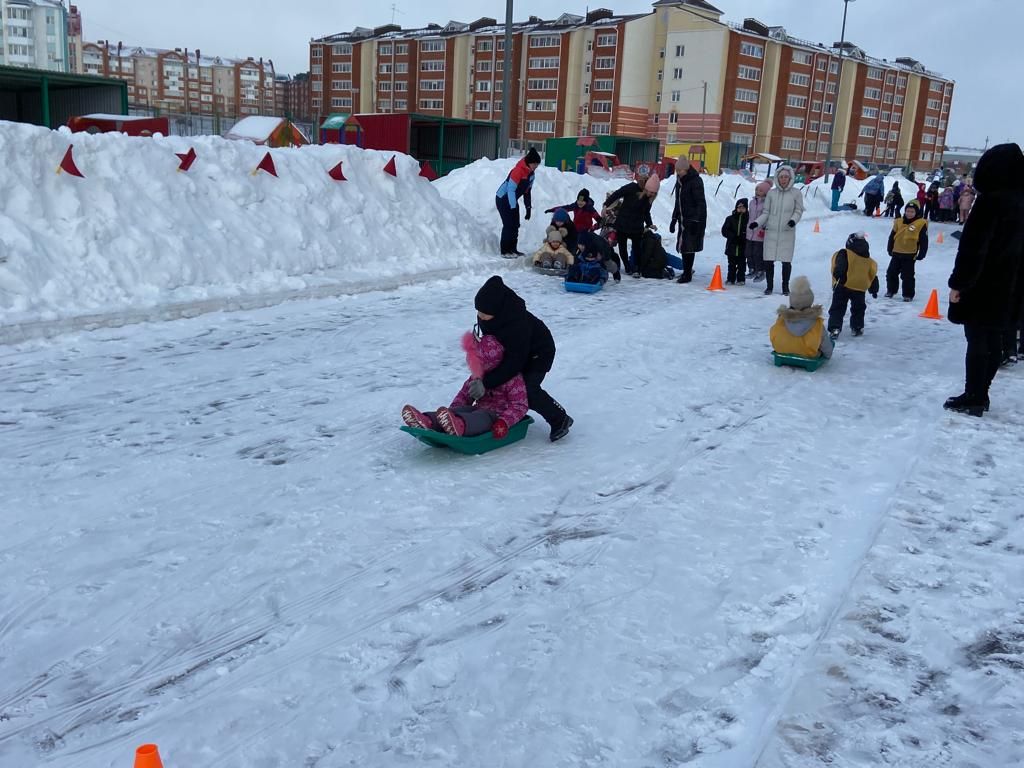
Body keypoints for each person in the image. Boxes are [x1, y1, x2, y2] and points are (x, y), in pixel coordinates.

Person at [944, 143, 1024, 417]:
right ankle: (981, 393)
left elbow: (974, 248)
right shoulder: (1021, 201)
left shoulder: (991, 201)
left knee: (977, 340)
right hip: (1011, 287)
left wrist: (959, 284)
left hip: (984, 286)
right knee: (994, 339)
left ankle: (974, 396)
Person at [472, 276, 573, 440]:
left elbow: (514, 362)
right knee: (499, 381)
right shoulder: (488, 314)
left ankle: (560, 419)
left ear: (497, 310)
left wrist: (486, 382)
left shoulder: (517, 324)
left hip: (539, 353)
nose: (479, 316)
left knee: (526, 389)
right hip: (515, 352)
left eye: (484, 313)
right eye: (478, 312)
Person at [401, 332, 528, 438]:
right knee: (465, 411)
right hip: (479, 408)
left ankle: (460, 425)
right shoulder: (477, 377)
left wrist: (504, 422)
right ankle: (428, 420)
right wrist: (453, 411)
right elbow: (464, 395)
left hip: (497, 416)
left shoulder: (512, 379)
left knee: (480, 418)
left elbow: (520, 405)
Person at [750, 164, 803, 296]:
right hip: (772, 232)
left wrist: (793, 221)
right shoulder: (772, 194)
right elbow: (766, 212)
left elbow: (798, 210)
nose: (783, 179)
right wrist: (756, 223)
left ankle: (785, 287)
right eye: (781, 177)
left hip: (787, 232)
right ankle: (769, 286)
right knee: (768, 261)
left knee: (786, 262)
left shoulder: (796, 193)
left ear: (790, 177)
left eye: (786, 177)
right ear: (777, 179)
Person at [827, 232, 879, 339]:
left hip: (843, 285)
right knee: (858, 308)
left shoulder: (845, 253)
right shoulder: (868, 260)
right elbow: (872, 275)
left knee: (838, 307)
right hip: (860, 288)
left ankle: (835, 328)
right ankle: (857, 327)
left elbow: (840, 267)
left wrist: (838, 277)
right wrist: (874, 290)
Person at [605, 174, 660, 275]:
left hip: (636, 226)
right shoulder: (631, 188)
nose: (652, 194)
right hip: (623, 223)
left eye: (654, 193)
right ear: (646, 188)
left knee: (637, 247)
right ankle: (627, 266)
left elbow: (646, 212)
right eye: (651, 192)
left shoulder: (649, 198)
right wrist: (606, 205)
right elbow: (617, 194)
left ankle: (637, 269)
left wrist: (649, 224)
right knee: (622, 247)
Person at [770, 276, 834, 359]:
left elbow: (774, 335)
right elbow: (826, 347)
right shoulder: (816, 323)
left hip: (782, 350)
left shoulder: (782, 319)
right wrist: (828, 354)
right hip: (808, 354)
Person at [495, 147, 540, 256]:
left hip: (512, 200)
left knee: (515, 224)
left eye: (537, 164)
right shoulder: (518, 171)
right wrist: (513, 206)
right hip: (503, 198)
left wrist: (528, 208)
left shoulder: (531, 174)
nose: (536, 166)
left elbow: (527, 192)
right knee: (508, 224)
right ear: (529, 162)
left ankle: (513, 249)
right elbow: (511, 189)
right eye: (534, 164)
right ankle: (505, 250)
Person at [670, 161, 708, 283]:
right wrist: (674, 218)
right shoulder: (680, 181)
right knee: (683, 245)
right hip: (683, 218)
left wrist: (696, 220)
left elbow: (700, 202)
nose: (678, 173)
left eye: (680, 171)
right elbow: (678, 201)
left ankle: (687, 274)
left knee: (688, 246)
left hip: (694, 219)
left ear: (686, 169)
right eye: (677, 171)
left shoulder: (696, 181)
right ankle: (686, 271)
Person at [884, 200, 929, 301]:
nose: (909, 213)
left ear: (916, 212)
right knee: (891, 273)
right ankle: (891, 290)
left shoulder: (921, 223)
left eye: (912, 212)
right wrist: (889, 248)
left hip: (910, 254)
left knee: (907, 276)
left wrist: (922, 253)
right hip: (896, 252)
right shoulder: (898, 221)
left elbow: (924, 240)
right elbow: (892, 236)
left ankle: (908, 295)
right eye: (907, 211)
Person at [746, 181, 771, 282]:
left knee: (757, 253)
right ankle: (752, 269)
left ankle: (761, 270)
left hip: (759, 232)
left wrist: (764, 227)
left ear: (765, 192)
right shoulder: (752, 202)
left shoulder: (766, 204)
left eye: (760, 190)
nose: (757, 192)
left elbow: (767, 217)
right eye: (757, 189)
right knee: (748, 252)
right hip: (750, 232)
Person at [721, 198, 749, 285]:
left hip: (742, 246)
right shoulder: (730, 219)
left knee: (742, 265)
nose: (741, 209)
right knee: (731, 264)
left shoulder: (748, 219)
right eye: (739, 207)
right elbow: (724, 230)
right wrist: (732, 236)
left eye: (743, 208)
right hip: (731, 246)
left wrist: (743, 238)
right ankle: (730, 278)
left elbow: (750, 232)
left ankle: (741, 279)